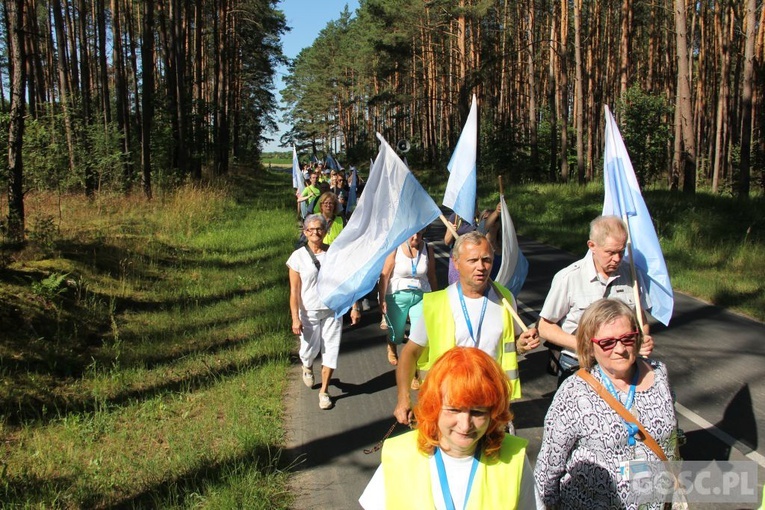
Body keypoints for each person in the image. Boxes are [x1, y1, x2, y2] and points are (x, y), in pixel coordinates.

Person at [535, 298, 679, 509]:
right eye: (607, 342)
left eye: (627, 338)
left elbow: (672, 443)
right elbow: (548, 470)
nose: (620, 349)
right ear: (589, 347)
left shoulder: (659, 375)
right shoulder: (574, 393)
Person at [359, 347, 538, 509]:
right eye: (453, 410)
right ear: (434, 406)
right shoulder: (399, 457)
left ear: (493, 412)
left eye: (477, 412)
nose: (465, 424)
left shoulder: (514, 461)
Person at [394, 231, 540, 425]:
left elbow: (508, 347)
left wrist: (521, 346)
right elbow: (409, 353)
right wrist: (403, 399)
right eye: (472, 260)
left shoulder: (506, 299)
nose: (481, 267)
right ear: (456, 263)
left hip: (491, 404)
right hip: (447, 406)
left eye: (486, 260)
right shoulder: (436, 304)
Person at [538, 215, 654, 385]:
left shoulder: (632, 275)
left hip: (621, 367)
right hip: (578, 364)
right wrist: (585, 346)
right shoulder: (569, 278)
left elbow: (640, 319)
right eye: (610, 252)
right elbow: (544, 327)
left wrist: (643, 338)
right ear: (592, 246)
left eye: (621, 251)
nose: (617, 259)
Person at [287, 214, 342, 410]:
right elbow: (294, 291)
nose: (315, 232)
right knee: (309, 349)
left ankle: (324, 392)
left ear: (325, 232)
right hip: (308, 310)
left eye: (319, 229)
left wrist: (353, 306)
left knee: (331, 350)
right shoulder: (297, 257)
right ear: (305, 232)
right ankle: (308, 366)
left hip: (333, 309)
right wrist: (295, 318)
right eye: (311, 229)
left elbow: (346, 282)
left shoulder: (334, 254)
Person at [378, 230, 438, 368]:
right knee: (397, 335)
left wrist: (436, 299)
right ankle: (392, 343)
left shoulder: (428, 249)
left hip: (421, 296)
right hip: (396, 296)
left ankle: (415, 371)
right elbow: (384, 275)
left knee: (419, 336)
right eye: (413, 234)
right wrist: (382, 299)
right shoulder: (396, 247)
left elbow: (432, 276)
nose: (416, 237)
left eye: (420, 234)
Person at [443, 204, 502, 284]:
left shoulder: (478, 219)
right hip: (459, 257)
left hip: (474, 257)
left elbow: (485, 226)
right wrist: (451, 230)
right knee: (457, 286)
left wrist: (496, 212)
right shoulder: (455, 217)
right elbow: (447, 241)